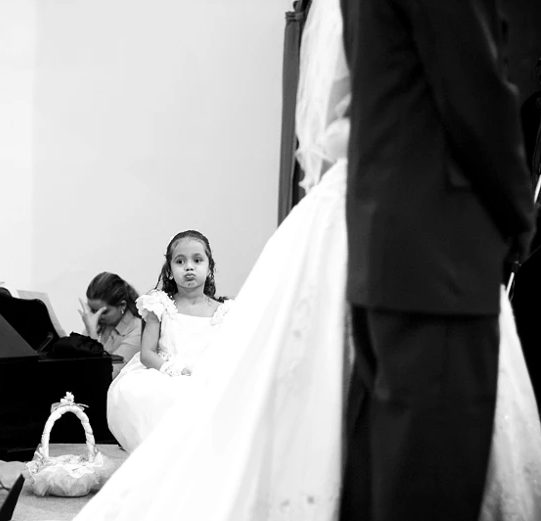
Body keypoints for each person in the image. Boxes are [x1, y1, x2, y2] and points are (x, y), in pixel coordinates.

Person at [71, 0, 541, 519]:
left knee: (383, 449)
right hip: (434, 246)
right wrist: (520, 218)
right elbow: (475, 96)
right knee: (433, 458)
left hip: (378, 239)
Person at [339, 0, 537, 519]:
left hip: (388, 254)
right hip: (438, 256)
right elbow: (478, 97)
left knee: (388, 478)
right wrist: (520, 215)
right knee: (434, 486)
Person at [106, 230, 233, 453]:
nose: (189, 267)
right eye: (180, 261)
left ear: (209, 267)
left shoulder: (224, 312)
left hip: (205, 375)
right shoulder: (160, 305)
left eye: (197, 260)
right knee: (158, 396)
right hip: (164, 372)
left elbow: (229, 353)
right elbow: (147, 353)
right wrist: (174, 370)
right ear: (170, 271)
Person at [78, 272, 143, 378]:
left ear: (122, 306)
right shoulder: (100, 325)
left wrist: (92, 335)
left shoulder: (138, 330)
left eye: (103, 312)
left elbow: (106, 376)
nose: (96, 317)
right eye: (92, 310)